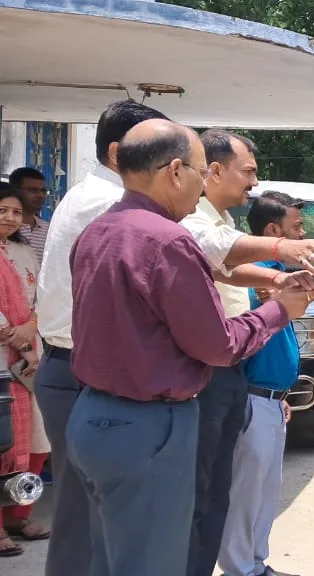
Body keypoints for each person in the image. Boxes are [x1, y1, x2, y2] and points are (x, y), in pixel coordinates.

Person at [64, 119, 312, 576]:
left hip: (93, 418)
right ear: (175, 171)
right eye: (201, 173)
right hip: (149, 427)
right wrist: (282, 310)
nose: (202, 189)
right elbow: (218, 346)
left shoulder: (98, 231)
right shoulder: (167, 240)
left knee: (109, 558)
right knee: (153, 560)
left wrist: (276, 282)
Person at [182, 130, 314, 576]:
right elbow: (219, 260)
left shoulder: (224, 228)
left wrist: (277, 279)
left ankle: (252, 564)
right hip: (227, 380)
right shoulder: (193, 224)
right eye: (248, 171)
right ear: (213, 171)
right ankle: (238, 567)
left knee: (247, 491)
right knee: (222, 494)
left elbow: (226, 266)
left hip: (249, 388)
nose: (253, 183)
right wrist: (280, 261)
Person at [33, 99, 170, 576]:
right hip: (81, 374)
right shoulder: (107, 203)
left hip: (71, 369)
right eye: (161, 153)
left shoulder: (95, 194)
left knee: (90, 514)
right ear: (119, 154)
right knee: (89, 519)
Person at [218, 191, 305, 576]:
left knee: (265, 490)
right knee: (246, 492)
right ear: (273, 230)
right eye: (297, 227)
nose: (302, 234)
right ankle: (239, 568)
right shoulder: (252, 276)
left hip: (273, 400)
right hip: (252, 397)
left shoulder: (276, 274)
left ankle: (255, 562)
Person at [0, 184, 46, 557]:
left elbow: (39, 297)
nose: (10, 217)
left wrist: (30, 328)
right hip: (3, 356)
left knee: (34, 441)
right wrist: (10, 333)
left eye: (16, 212)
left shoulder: (22, 251)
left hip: (28, 354)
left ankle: (19, 513)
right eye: (3, 209)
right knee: (2, 443)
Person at [6, 168, 48, 264]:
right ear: (15, 191)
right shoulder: (5, 227)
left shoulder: (49, 230)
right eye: (33, 190)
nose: (40, 195)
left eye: (43, 191)